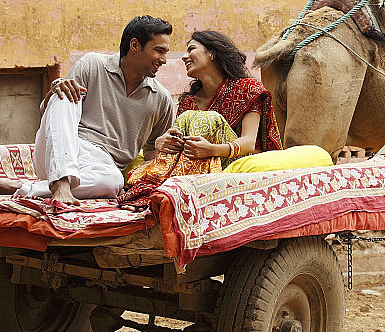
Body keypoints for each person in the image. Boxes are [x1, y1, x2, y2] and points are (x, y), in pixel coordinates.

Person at [0, 15, 175, 205]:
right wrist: (56, 88)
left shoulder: (161, 99)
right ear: (135, 46)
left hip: (100, 169)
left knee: (113, 182)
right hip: (59, 150)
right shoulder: (92, 64)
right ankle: (60, 183)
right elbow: (51, 112)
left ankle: (25, 188)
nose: (164, 59)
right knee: (65, 90)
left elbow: (152, 152)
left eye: (166, 52)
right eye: (159, 51)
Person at [116, 30, 283, 209]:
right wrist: (161, 142)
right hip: (193, 164)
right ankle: (159, 195)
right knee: (189, 117)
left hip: (234, 159)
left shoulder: (248, 88)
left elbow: (249, 142)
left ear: (212, 53)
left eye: (191, 49)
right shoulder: (189, 101)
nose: (184, 57)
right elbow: (180, 147)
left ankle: (157, 195)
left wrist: (210, 150)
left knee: (206, 118)